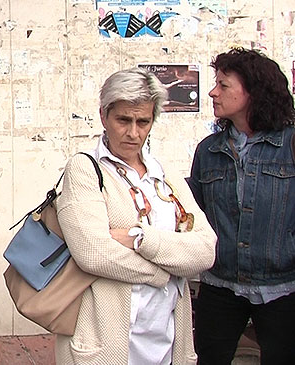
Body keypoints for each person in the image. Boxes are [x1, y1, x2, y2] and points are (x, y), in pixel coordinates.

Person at [55, 68, 216, 364]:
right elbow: (93, 253)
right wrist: (167, 272)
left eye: (143, 122)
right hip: (106, 341)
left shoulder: (164, 175)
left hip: (166, 336)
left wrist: (139, 239)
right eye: (123, 120)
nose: (133, 133)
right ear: (104, 116)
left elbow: (206, 249)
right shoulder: (86, 169)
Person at [188, 48, 295, 365]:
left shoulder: (289, 145)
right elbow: (197, 216)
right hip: (220, 285)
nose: (213, 92)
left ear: (253, 92)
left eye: (223, 85)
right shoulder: (209, 151)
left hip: (282, 288)